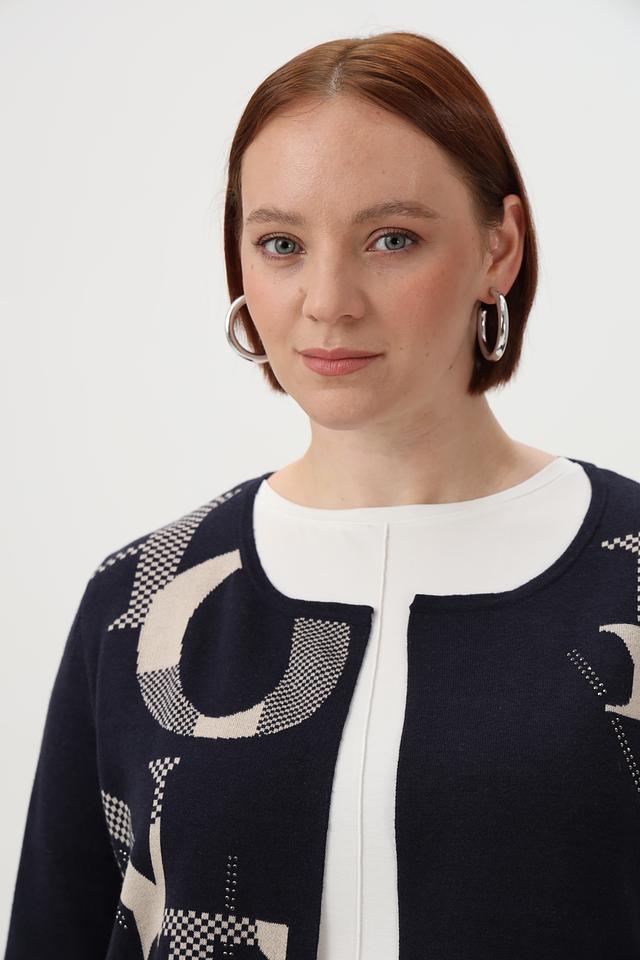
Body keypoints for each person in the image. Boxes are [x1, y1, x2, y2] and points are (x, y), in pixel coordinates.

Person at [5, 30, 640, 960]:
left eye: (392, 239)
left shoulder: (630, 574)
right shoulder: (143, 600)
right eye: (282, 244)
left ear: (498, 249)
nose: (329, 299)